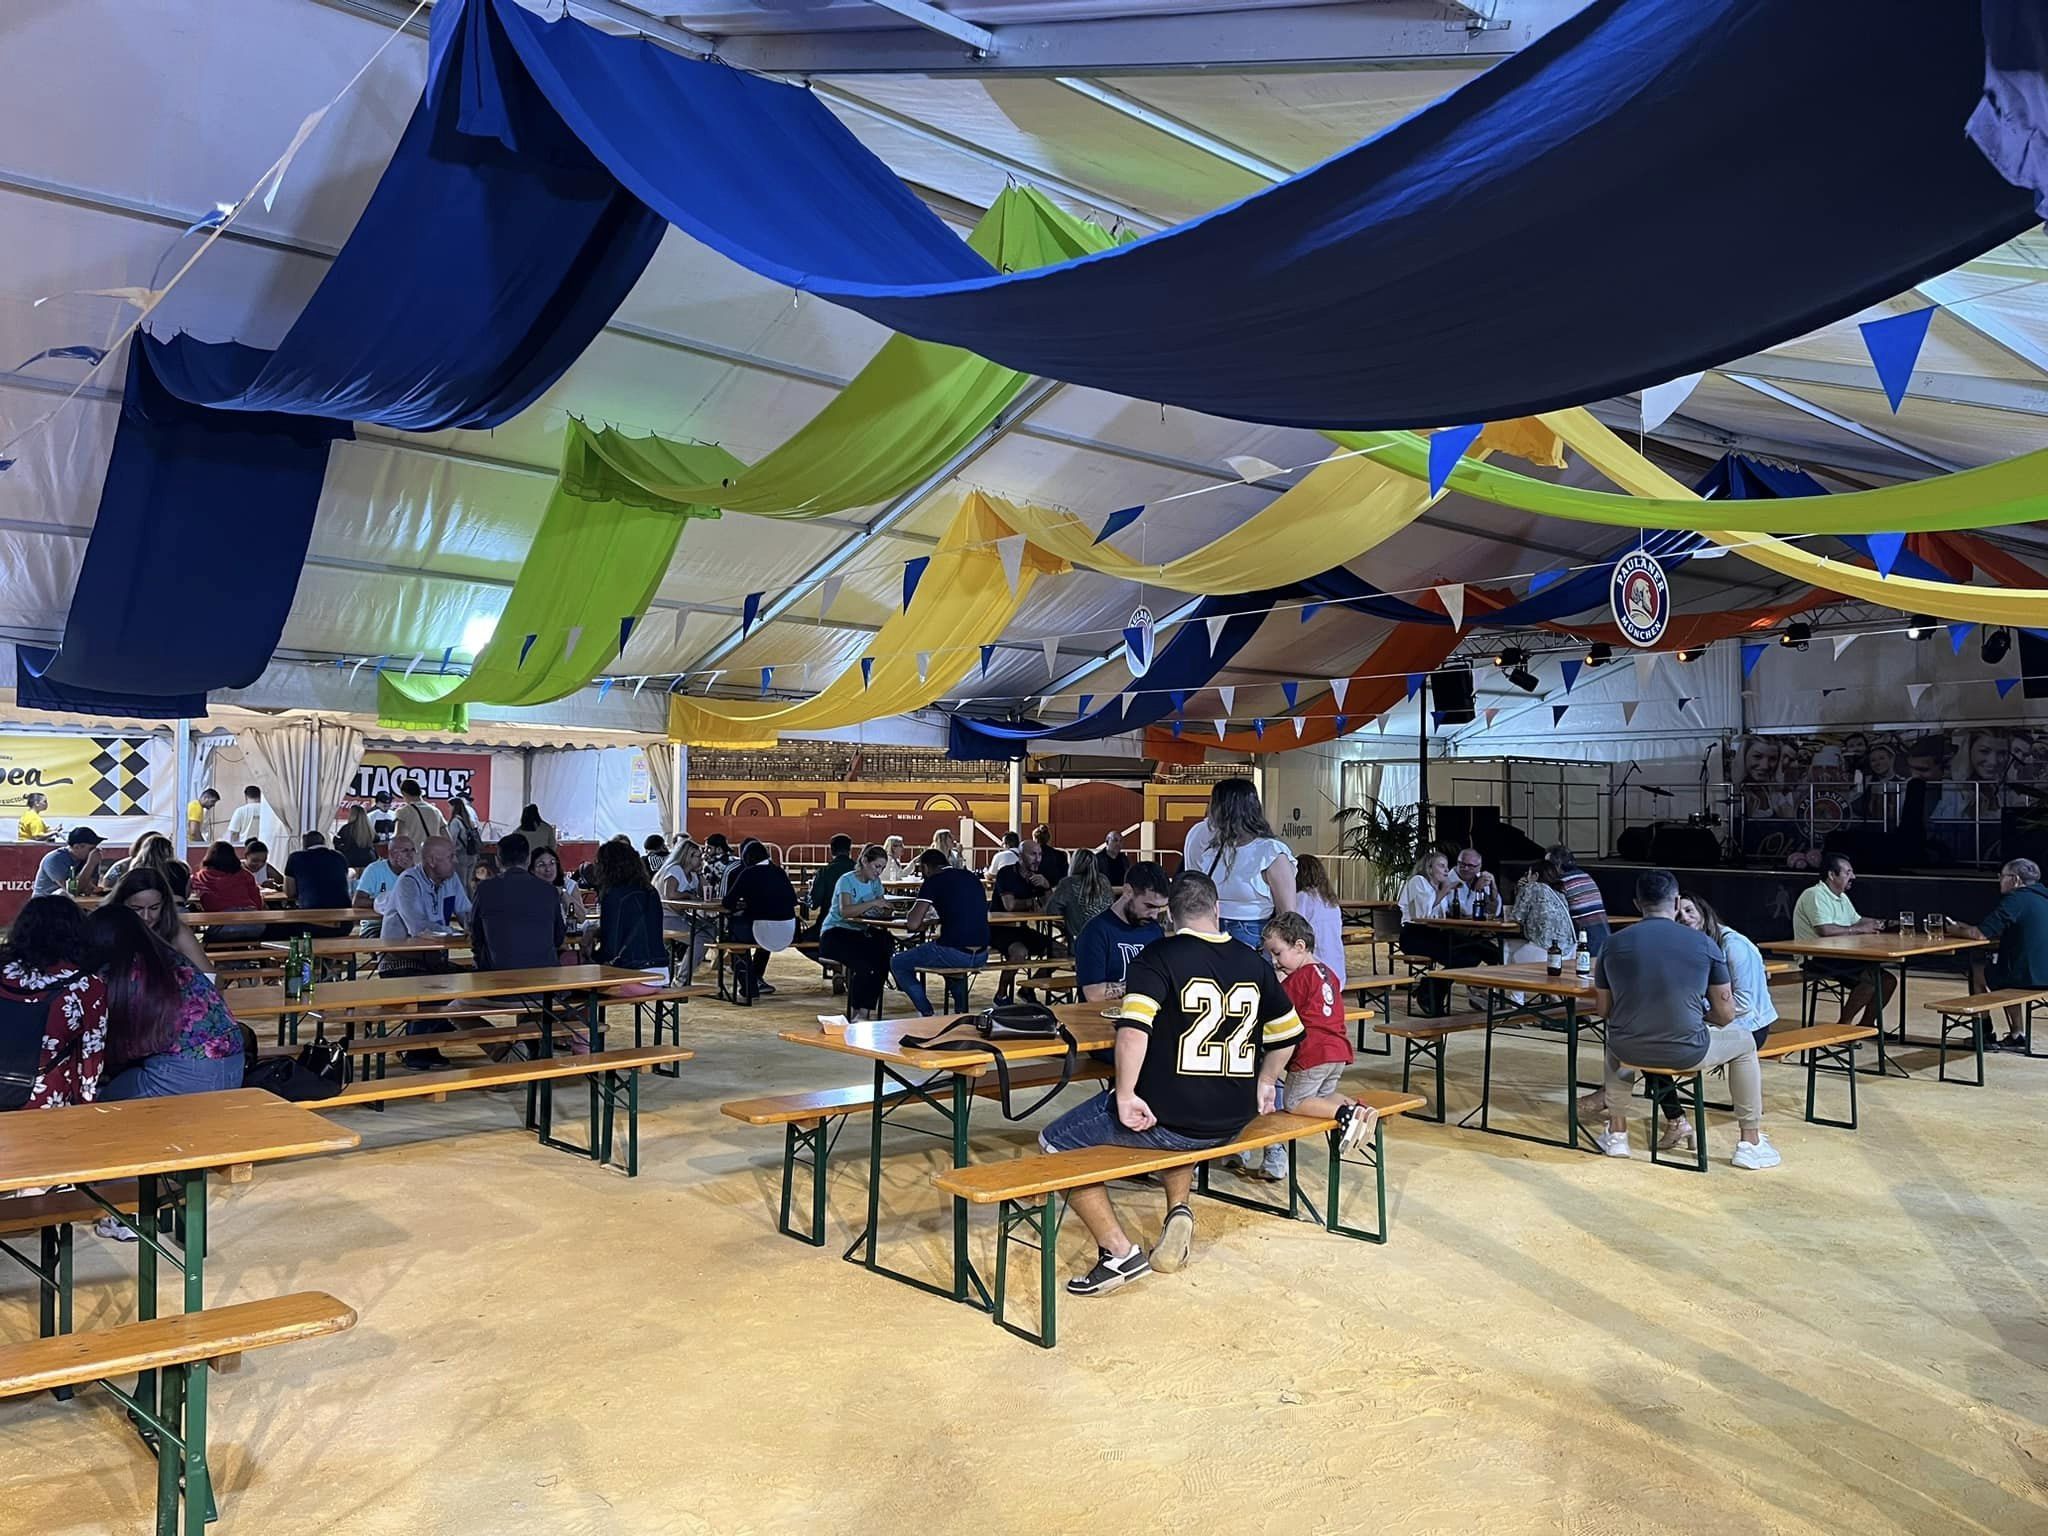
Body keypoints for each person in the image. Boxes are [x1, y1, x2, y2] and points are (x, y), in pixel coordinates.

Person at [1037, 872, 1373, 1296]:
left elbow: (1133, 1031)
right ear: (1217, 911)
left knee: (1056, 1142)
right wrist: (1267, 1081)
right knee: (1179, 1120)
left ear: (1172, 919)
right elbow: (1289, 1034)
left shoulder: (1156, 957)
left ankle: (1117, 1252)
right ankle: (1178, 1208)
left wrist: (1123, 1095)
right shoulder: (1254, 961)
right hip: (1235, 1119)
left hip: (1175, 1121)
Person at [1586, 869, 1777, 1168]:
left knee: (1617, 1041)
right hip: (1687, 1051)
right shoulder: (1705, 945)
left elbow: (1604, 1010)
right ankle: (1750, 1143)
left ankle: (1617, 1135)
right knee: (1744, 1042)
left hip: (1630, 1049)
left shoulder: (1611, 944)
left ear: (1637, 904)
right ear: (1675, 902)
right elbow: (1726, 1015)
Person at [90, 903, 245, 1102]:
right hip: (233, 1066)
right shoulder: (172, 959)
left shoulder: (122, 972)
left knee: (104, 1101)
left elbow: (122, 1046)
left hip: (188, 1074)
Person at [1241, 910, 1355, 1181]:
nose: (1275, 961)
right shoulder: (1328, 974)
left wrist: (1279, 984)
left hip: (1312, 1053)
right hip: (1337, 1051)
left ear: (1300, 946)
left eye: (1278, 953)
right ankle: (1358, 1110)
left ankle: (1345, 1113)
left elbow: (1277, 1013)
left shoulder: (1299, 979)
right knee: (1322, 1098)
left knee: (1295, 1101)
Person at [0, 896, 108, 1111]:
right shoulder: (86, 986)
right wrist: (85, 1106)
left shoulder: (2, 969)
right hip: (43, 1097)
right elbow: (90, 1057)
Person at [381, 836, 472, 1065]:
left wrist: (474, 928)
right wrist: (453, 932)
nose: (456, 861)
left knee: (472, 983)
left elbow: (466, 913)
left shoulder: (451, 880)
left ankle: (428, 1039)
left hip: (433, 959)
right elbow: (418, 927)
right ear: (432, 860)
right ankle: (417, 1049)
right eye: (450, 857)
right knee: (434, 986)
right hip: (399, 961)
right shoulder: (408, 882)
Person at [1942, 857, 2048, 1050]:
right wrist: (1970, 928)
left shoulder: (2016, 899)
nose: (1999, 880)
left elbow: (1980, 935)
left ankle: (1984, 1034)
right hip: (2043, 973)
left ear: (2014, 879)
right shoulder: (2043, 897)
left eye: (2002, 877)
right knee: (2002, 972)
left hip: (2028, 977)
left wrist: (1956, 930)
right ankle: (2017, 1035)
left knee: (1978, 971)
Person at [1181, 778, 1296, 948]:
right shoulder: (1213, 849)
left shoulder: (1271, 852)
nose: (1209, 810)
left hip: (1253, 934)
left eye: (1214, 803)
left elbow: (1287, 913)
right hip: (1211, 932)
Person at [1791, 853, 1892, 1033]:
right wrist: (1860, 929)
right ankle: (1842, 1027)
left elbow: (1857, 921)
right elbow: (1825, 930)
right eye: (1848, 872)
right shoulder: (1815, 894)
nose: (1853, 876)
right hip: (1816, 957)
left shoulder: (1841, 897)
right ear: (1832, 875)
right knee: (1870, 979)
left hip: (1841, 955)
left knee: (1887, 980)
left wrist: (1881, 922)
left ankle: (1866, 1025)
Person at [891, 846, 991, 1016]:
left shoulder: (933, 881)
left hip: (954, 952)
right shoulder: (971, 877)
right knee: (953, 969)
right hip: (982, 953)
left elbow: (913, 924)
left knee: (898, 962)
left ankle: (926, 1012)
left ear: (925, 867)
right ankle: (961, 1012)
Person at [1677, 892, 1776, 1048]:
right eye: (1678, 915)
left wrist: (1701, 1016)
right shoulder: (1696, 945)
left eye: (1689, 910)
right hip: (1721, 1020)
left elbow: (1744, 1004)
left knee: (1667, 1045)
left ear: (1703, 911)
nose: (1684, 917)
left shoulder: (1733, 944)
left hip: (1750, 1028)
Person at [468, 831, 567, 974]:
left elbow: (476, 935)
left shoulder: (484, 889)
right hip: (545, 982)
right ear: (528, 859)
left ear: (497, 861)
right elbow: (558, 937)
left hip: (498, 982)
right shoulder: (548, 891)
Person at [818, 844, 896, 1021]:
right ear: (864, 861)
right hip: (835, 932)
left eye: (882, 868)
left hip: (860, 932)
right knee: (864, 965)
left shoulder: (876, 882)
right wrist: (873, 904)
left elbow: (881, 905)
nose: (879, 872)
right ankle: (855, 1011)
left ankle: (865, 1011)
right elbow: (846, 911)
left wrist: (884, 910)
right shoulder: (846, 880)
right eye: (877, 866)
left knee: (883, 960)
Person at [1075, 860, 1171, 1002]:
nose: (1155, 915)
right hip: (1103, 1018)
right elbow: (1093, 994)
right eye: (1149, 906)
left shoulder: (1154, 930)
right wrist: (1144, 987)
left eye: (1160, 908)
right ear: (1128, 892)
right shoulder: (1095, 933)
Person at [722, 840, 799, 1001]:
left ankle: (749, 987)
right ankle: (756, 977)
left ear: (747, 859)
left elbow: (727, 902)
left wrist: (746, 903)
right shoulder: (779, 871)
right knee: (762, 938)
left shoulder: (748, 873)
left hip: (762, 929)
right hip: (788, 928)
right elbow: (793, 900)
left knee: (732, 937)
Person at [105, 867, 212, 973]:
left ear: (165, 905)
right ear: (120, 905)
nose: (146, 916)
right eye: (136, 909)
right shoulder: (106, 930)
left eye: (154, 908)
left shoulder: (177, 932)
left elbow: (212, 978)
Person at [590, 838, 668, 982]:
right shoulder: (651, 891)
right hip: (661, 970)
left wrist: (591, 954)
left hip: (630, 972)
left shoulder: (613, 895)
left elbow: (611, 945)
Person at [1398, 850, 1456, 1015]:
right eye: (1441, 866)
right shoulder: (1418, 882)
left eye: (1447, 866)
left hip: (1435, 933)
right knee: (1455, 956)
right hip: (1415, 935)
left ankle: (1430, 989)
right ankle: (1430, 994)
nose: (1446, 870)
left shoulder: (1438, 888)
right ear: (1430, 869)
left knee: (1469, 954)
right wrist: (1444, 891)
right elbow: (1423, 915)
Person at [1291, 854, 1348, 988]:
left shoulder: (1302, 898)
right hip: (1337, 970)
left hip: (1316, 971)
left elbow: (1292, 930)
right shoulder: (1331, 901)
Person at [1543, 845, 1610, 957]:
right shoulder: (1585, 876)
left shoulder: (1561, 883)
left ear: (1557, 865)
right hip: (1604, 939)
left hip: (1585, 943)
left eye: (1547, 866)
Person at [282, 831, 353, 933]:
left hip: (313, 922)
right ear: (324, 842)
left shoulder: (296, 857)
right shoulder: (339, 857)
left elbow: (290, 892)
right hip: (345, 922)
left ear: (303, 844)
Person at [1045, 848, 1114, 947]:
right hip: (1108, 942)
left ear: (1074, 864)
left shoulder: (1068, 883)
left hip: (1080, 945)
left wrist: (1068, 917)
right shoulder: (1104, 881)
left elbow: (1051, 910)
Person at [353, 833, 415, 936]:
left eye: (413, 850)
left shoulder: (415, 872)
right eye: (405, 851)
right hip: (376, 925)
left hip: (407, 924)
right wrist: (386, 904)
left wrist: (409, 873)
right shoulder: (374, 870)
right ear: (392, 854)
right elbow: (358, 902)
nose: (410, 854)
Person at [531, 848, 584, 949]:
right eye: (541, 865)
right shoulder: (528, 890)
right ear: (532, 870)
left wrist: (562, 893)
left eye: (552, 863)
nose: (548, 869)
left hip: (564, 944)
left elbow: (581, 918)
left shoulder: (569, 884)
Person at [189, 841, 262, 913]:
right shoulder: (245, 875)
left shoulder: (201, 877)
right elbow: (257, 902)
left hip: (220, 919)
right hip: (250, 916)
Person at [31, 826, 103, 898]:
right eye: (91, 849)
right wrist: (90, 864)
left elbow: (90, 889)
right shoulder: (55, 859)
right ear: (76, 847)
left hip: (68, 903)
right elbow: (72, 891)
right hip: (45, 903)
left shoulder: (89, 858)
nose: (94, 852)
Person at [392, 778, 448, 851]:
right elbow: (446, 837)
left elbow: (399, 838)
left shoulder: (403, 811)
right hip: (433, 855)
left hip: (414, 855)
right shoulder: (435, 810)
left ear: (403, 793)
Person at [807, 834, 856, 915]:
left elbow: (814, 904)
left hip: (828, 921)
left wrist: (807, 896)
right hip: (856, 924)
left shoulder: (824, 872)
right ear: (849, 850)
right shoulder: (860, 871)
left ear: (832, 850)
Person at [1446, 847, 1500, 919]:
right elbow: (1466, 913)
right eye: (1462, 864)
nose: (1466, 868)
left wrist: (1493, 887)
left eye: (1471, 866)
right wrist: (1475, 890)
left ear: (1479, 867)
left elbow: (1496, 912)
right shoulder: (1448, 881)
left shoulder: (1480, 878)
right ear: (1457, 862)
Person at [446, 796, 483, 890]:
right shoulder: (468, 820)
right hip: (472, 854)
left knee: (461, 883)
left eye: (450, 806)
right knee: (469, 883)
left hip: (460, 856)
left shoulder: (455, 822)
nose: (448, 809)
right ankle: (471, 902)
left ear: (454, 807)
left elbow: (452, 840)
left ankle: (463, 904)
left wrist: (451, 855)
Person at [335, 803, 378, 874]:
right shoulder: (369, 829)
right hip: (368, 859)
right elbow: (376, 839)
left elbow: (338, 843)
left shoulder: (347, 828)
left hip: (351, 860)